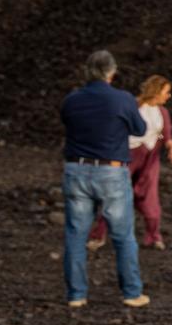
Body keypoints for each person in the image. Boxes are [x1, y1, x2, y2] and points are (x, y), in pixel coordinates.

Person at [60, 50, 150, 309]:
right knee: (122, 235)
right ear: (112, 72)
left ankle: (76, 295)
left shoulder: (72, 100)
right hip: (111, 171)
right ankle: (132, 293)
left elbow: (67, 122)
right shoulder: (122, 99)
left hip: (76, 169)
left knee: (76, 235)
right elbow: (140, 130)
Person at [89, 75, 172, 252]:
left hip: (150, 158)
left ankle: (153, 236)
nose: (168, 96)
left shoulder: (162, 112)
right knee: (115, 194)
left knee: (150, 195)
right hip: (128, 155)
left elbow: (162, 133)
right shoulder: (133, 107)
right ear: (156, 92)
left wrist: (170, 146)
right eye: (166, 92)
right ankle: (99, 235)